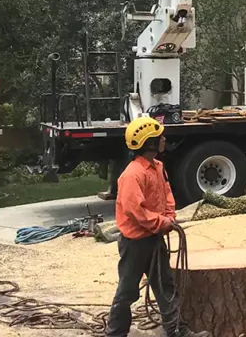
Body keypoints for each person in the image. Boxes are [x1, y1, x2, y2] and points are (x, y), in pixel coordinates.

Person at [105, 116, 209, 337]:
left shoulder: (158, 167)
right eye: (159, 137)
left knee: (165, 288)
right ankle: (115, 333)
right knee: (127, 292)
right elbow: (136, 211)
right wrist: (162, 222)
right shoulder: (133, 175)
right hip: (135, 243)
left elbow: (167, 194)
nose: (163, 139)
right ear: (149, 142)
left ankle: (176, 331)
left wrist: (169, 215)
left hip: (154, 238)